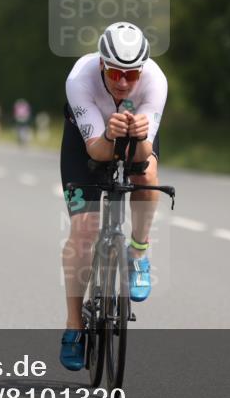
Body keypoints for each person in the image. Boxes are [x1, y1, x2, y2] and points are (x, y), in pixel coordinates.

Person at [58, 22, 168, 371]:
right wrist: (110, 133)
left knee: (147, 173)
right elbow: (97, 151)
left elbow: (142, 155)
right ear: (103, 65)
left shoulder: (155, 81)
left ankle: (139, 251)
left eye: (131, 74)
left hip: (136, 140)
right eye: (116, 72)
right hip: (87, 142)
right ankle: (74, 325)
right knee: (85, 230)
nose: (123, 81)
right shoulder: (80, 79)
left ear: (142, 70)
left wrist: (138, 136)